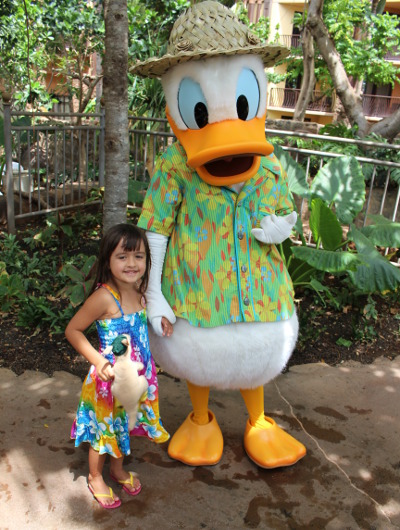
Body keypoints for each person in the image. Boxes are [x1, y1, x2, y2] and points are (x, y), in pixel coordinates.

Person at [65, 223, 173, 509]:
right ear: (107, 260)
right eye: (122, 256)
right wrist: (98, 360)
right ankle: (96, 476)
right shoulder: (104, 297)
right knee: (104, 430)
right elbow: (73, 330)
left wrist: (158, 320)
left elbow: (140, 324)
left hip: (134, 378)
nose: (131, 263)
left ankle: (117, 470)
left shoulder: (140, 290)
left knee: (124, 424)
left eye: (138, 256)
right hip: (108, 382)